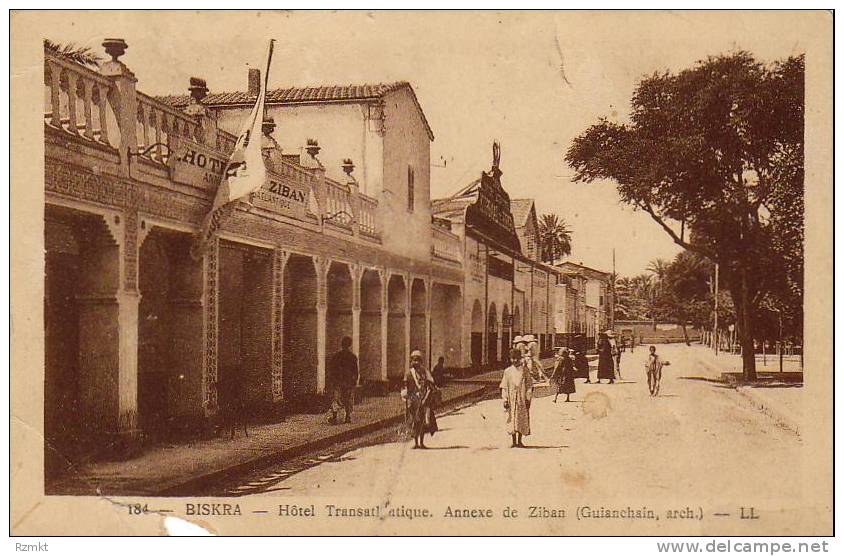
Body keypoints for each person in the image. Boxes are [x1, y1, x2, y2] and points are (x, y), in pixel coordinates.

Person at [402, 349, 438, 449]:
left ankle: (421, 442)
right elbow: (405, 388)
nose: (416, 362)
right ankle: (416, 442)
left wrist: (426, 397)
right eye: (414, 360)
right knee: (414, 421)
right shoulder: (409, 374)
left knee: (423, 422)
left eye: (418, 360)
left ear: (421, 361)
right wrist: (407, 399)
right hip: (413, 400)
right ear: (411, 361)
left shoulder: (425, 372)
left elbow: (431, 385)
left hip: (424, 400)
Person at [500, 348, 533, 448]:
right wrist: (505, 399)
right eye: (512, 358)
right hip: (511, 398)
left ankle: (520, 440)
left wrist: (528, 398)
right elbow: (504, 387)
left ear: (520, 359)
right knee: (512, 418)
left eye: (516, 358)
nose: (514, 361)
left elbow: (529, 386)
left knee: (521, 418)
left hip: (522, 399)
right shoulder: (508, 371)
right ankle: (513, 441)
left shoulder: (525, 370)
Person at [327, 336, 359, 424]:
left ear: (342, 345)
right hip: (348, 381)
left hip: (338, 380)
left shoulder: (337, 356)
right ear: (350, 345)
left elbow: (332, 369)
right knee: (348, 399)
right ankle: (347, 417)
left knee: (336, 398)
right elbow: (355, 371)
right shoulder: (352, 357)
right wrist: (354, 380)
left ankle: (334, 417)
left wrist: (332, 379)